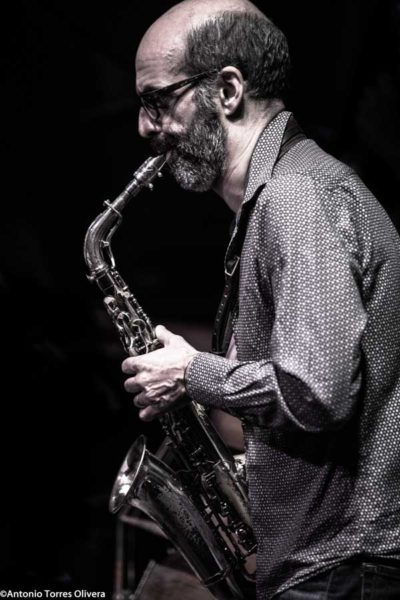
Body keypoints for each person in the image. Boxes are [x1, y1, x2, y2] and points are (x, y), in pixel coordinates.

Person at [120, 0, 400, 597]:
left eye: (158, 101)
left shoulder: (298, 197)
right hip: (331, 564)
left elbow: (316, 393)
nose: (145, 127)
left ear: (227, 90)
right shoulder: (281, 197)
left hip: (340, 568)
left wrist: (191, 372)